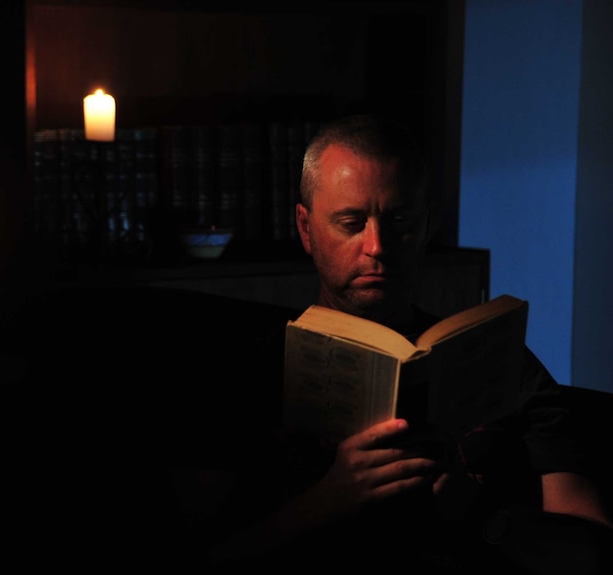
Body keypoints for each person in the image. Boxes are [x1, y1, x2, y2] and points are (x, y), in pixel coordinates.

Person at [175, 114, 611, 571]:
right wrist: (326, 502)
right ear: (306, 229)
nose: (377, 246)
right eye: (350, 222)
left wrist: (479, 511)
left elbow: (594, 554)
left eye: (398, 220)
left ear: (427, 225)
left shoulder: (506, 365)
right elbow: (190, 556)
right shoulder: (239, 373)